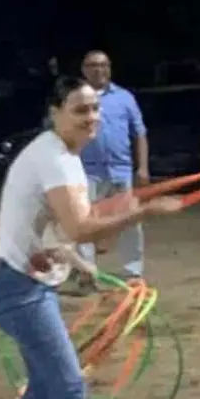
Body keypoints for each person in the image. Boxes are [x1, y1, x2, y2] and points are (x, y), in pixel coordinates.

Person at [0, 76, 183, 399]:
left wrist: (88, 261)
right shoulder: (56, 160)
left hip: (19, 285)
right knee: (69, 385)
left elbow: (69, 232)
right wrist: (145, 212)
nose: (92, 118)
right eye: (80, 110)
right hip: (18, 290)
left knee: (45, 385)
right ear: (55, 112)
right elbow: (80, 228)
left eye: (95, 110)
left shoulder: (56, 155)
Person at [76, 50, 150, 284]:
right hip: (86, 171)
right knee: (85, 223)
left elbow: (139, 134)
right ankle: (87, 273)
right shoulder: (74, 98)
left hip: (121, 171)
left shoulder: (125, 97)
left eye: (104, 65)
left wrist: (143, 167)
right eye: (93, 65)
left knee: (129, 222)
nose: (99, 70)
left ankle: (133, 272)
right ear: (84, 69)